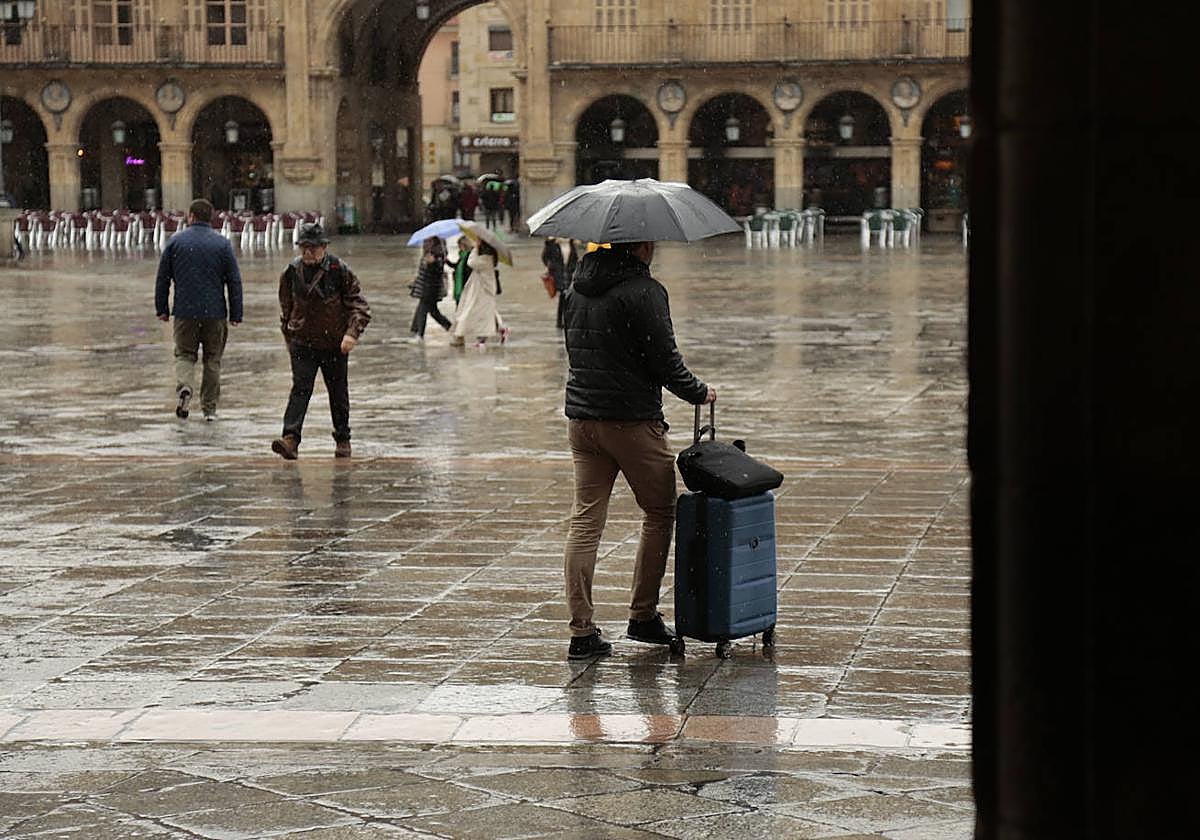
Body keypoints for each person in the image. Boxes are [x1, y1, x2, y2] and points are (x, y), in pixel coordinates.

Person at [560, 240, 716, 661]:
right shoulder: (645, 291)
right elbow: (665, 360)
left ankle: (581, 631)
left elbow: (576, 351)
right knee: (661, 512)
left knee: (586, 520)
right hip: (630, 422)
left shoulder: (575, 286)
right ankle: (642, 615)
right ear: (644, 245)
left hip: (582, 420)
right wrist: (700, 392)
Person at [272, 222, 371, 460]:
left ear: (324, 247)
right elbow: (287, 308)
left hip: (334, 344)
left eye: (314, 247)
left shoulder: (339, 270)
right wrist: (289, 336)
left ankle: (343, 437)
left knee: (338, 392)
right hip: (303, 342)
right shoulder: (291, 272)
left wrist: (352, 333)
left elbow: (359, 305)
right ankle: (290, 439)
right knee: (300, 389)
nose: (308, 252)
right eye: (304, 247)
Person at [154, 198, 243, 422]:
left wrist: (162, 308)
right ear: (210, 218)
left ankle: (185, 387)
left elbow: (163, 279)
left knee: (184, 355)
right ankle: (209, 409)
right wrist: (236, 313)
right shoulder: (222, 244)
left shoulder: (175, 242)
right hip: (215, 312)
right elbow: (234, 281)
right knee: (212, 360)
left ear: (191, 216)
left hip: (185, 311)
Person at [450, 240, 509, 348]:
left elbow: (471, 262)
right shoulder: (487, 258)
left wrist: (475, 249)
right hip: (480, 291)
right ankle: (501, 329)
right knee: (488, 313)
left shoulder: (485, 259)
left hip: (483, 291)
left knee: (481, 315)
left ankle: (480, 339)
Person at [409, 237, 452, 339]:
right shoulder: (428, 254)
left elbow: (437, 274)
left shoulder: (437, 256)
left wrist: (432, 264)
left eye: (427, 241)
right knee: (432, 311)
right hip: (424, 287)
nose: (424, 243)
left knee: (423, 310)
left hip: (431, 289)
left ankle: (419, 333)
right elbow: (422, 272)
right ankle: (450, 327)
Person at [541, 236, 579, 330]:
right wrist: (550, 267)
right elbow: (545, 257)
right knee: (563, 295)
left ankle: (565, 319)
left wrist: (572, 269)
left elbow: (575, 259)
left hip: (568, 274)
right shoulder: (553, 245)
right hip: (558, 273)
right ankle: (560, 321)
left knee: (567, 296)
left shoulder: (572, 245)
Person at [446, 235, 473, 308]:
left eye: (459, 245)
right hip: (459, 285)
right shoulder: (461, 257)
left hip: (465, 286)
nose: (459, 247)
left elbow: (468, 271)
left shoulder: (469, 256)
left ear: (465, 245)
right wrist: (446, 261)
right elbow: (456, 267)